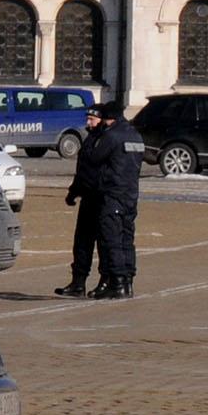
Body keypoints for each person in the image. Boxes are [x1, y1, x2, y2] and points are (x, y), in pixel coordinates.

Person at [63, 102, 141, 299]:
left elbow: (94, 159)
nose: (90, 122)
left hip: (108, 195)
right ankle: (124, 281)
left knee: (111, 241)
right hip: (128, 195)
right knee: (124, 239)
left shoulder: (110, 137)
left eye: (95, 118)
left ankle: (117, 283)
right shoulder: (135, 135)